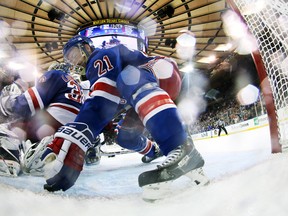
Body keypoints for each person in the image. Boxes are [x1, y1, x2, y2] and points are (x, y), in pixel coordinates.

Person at [40, 35, 207, 192]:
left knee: (129, 77)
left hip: (159, 71)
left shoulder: (99, 57)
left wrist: (77, 136)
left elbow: (102, 101)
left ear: (86, 47)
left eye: (74, 54)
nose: (73, 61)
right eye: (69, 59)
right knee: (126, 137)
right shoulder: (92, 75)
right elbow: (105, 103)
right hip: (141, 92)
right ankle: (153, 151)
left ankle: (180, 146)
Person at [0, 62, 84, 176]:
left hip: (53, 124)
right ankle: (49, 152)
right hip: (71, 132)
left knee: (6, 129)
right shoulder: (77, 85)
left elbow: (27, 103)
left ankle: (8, 162)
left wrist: (4, 104)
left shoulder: (55, 75)